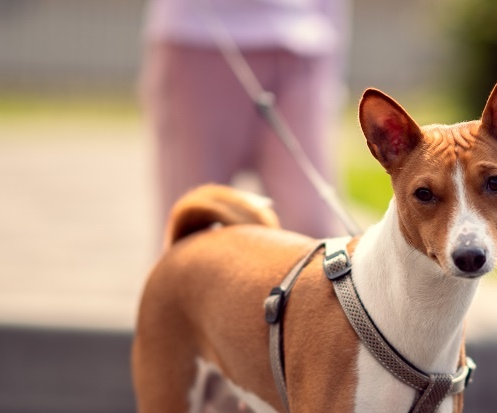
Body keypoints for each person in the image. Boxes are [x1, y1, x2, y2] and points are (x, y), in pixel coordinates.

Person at [139, 0, 351, 413]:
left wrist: (332, 52)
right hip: (199, 35)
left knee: (312, 235)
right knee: (192, 237)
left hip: (303, 43)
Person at [140, 0, 350, 241]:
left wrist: (332, 66)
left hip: (303, 44)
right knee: (193, 232)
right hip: (199, 38)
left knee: (312, 228)